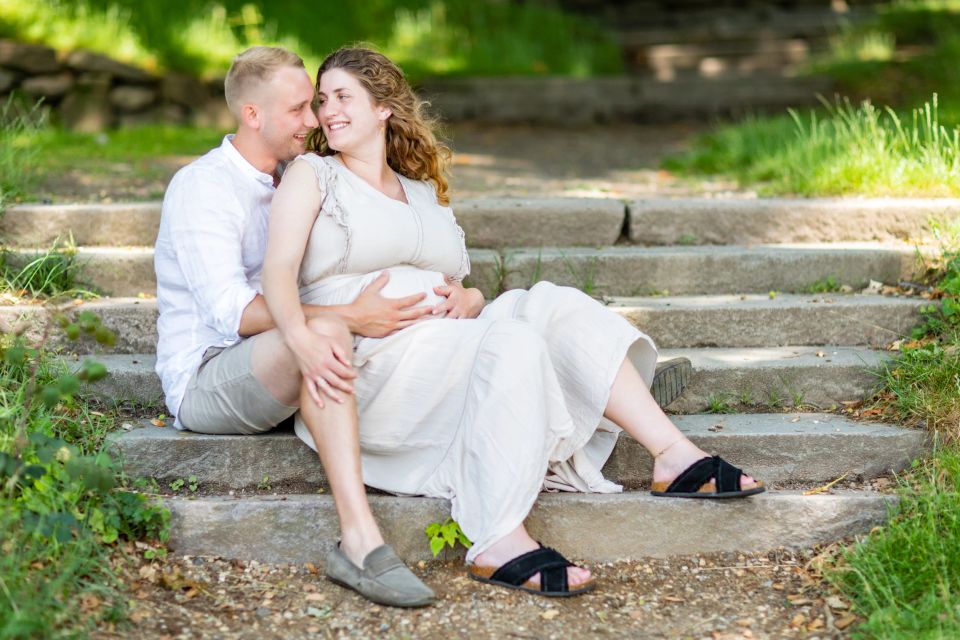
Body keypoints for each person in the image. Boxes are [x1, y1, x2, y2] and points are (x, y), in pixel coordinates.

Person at [261, 46, 765, 605]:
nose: (327, 111)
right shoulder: (313, 175)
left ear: (383, 108)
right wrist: (304, 338)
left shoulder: (422, 192)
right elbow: (278, 271)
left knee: (550, 304)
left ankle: (673, 454)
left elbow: (458, 282)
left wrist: (474, 296)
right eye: (322, 99)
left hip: (445, 344)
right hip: (374, 365)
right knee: (516, 339)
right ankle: (499, 537)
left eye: (343, 97)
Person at [154, 46, 440, 606]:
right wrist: (349, 314)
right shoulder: (204, 188)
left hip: (282, 359)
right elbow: (233, 316)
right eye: (298, 109)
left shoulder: (300, 175)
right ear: (252, 115)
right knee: (328, 333)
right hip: (208, 376)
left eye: (314, 105)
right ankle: (360, 544)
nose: (314, 121)